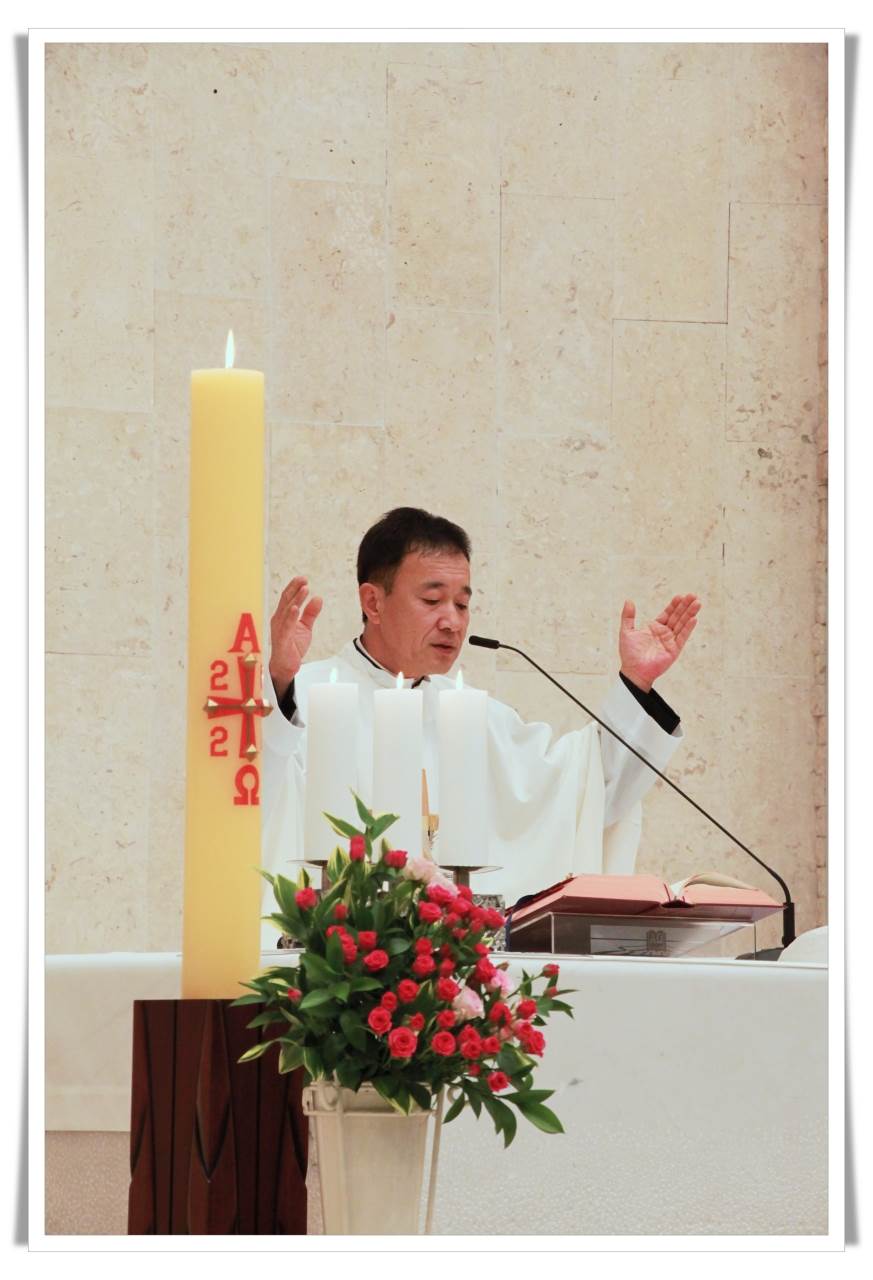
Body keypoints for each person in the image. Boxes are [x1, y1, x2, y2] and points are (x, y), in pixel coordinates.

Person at [261, 507, 700, 908]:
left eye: (462, 604)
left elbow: (590, 792)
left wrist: (636, 683)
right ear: (373, 602)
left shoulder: (473, 718)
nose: (452, 621)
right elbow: (256, 800)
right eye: (432, 601)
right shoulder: (307, 700)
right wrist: (278, 682)